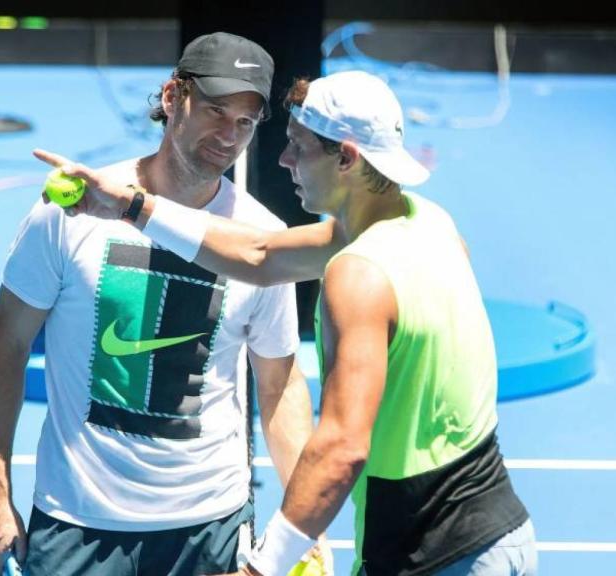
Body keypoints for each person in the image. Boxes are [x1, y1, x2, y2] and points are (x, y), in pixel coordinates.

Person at [36, 70, 536, 575]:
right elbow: (257, 253)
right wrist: (129, 205)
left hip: (434, 552)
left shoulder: (357, 275)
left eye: (298, 146)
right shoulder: (427, 224)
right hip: (501, 533)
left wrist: (262, 568)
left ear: (346, 157)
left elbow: (342, 447)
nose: (284, 159)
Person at [0, 32, 329, 576]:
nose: (227, 135)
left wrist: (301, 528)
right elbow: (7, 338)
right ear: (172, 97)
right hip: (77, 523)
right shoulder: (70, 212)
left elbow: (280, 385)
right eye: (215, 111)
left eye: (244, 121)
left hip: (209, 527)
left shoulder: (263, 240)